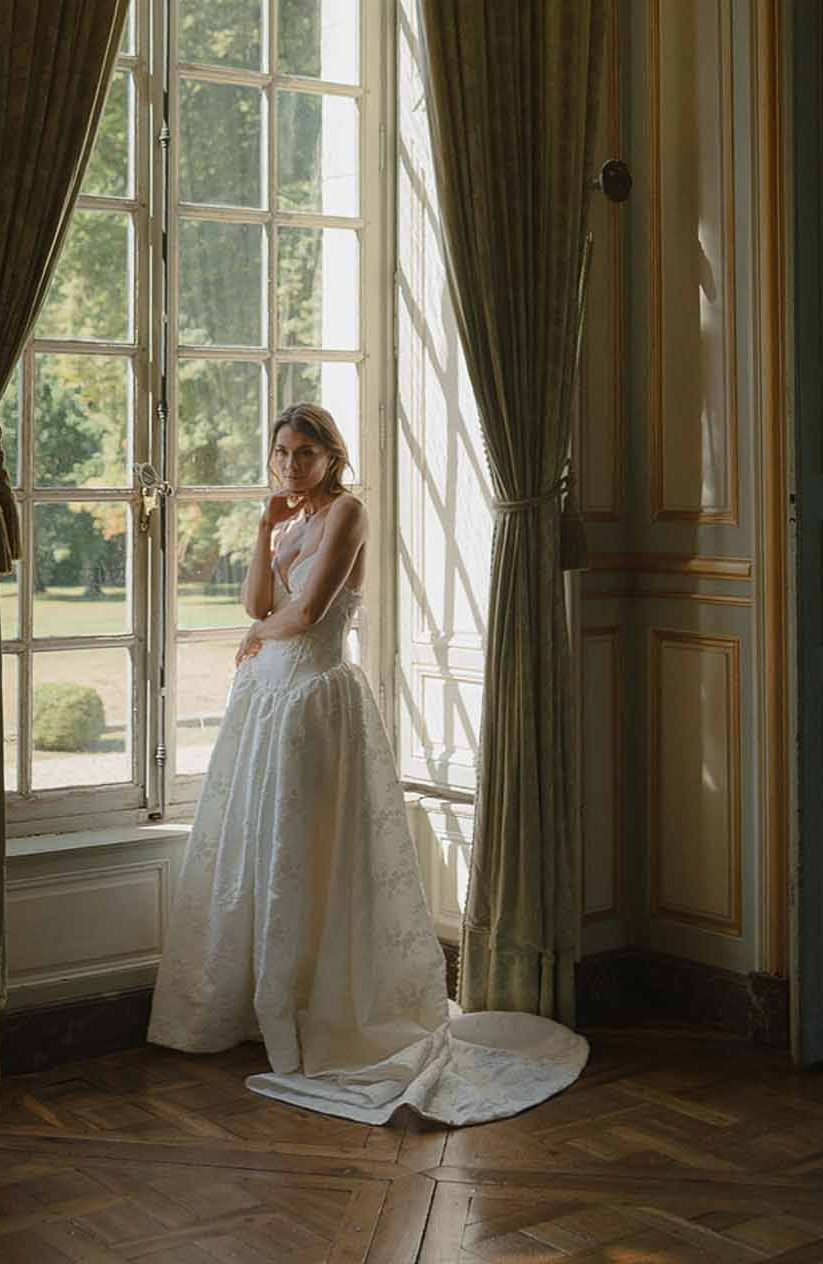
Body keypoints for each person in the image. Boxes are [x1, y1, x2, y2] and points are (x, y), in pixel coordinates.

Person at [147, 402, 588, 1125]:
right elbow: (258, 600)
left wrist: (256, 631)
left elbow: (311, 610)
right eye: (282, 452)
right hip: (265, 699)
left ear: (331, 454)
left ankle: (323, 1004)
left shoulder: (348, 513)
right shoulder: (284, 521)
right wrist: (261, 534)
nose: (292, 465)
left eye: (305, 452)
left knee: (315, 852)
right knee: (263, 849)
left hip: (315, 700)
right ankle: (270, 1000)